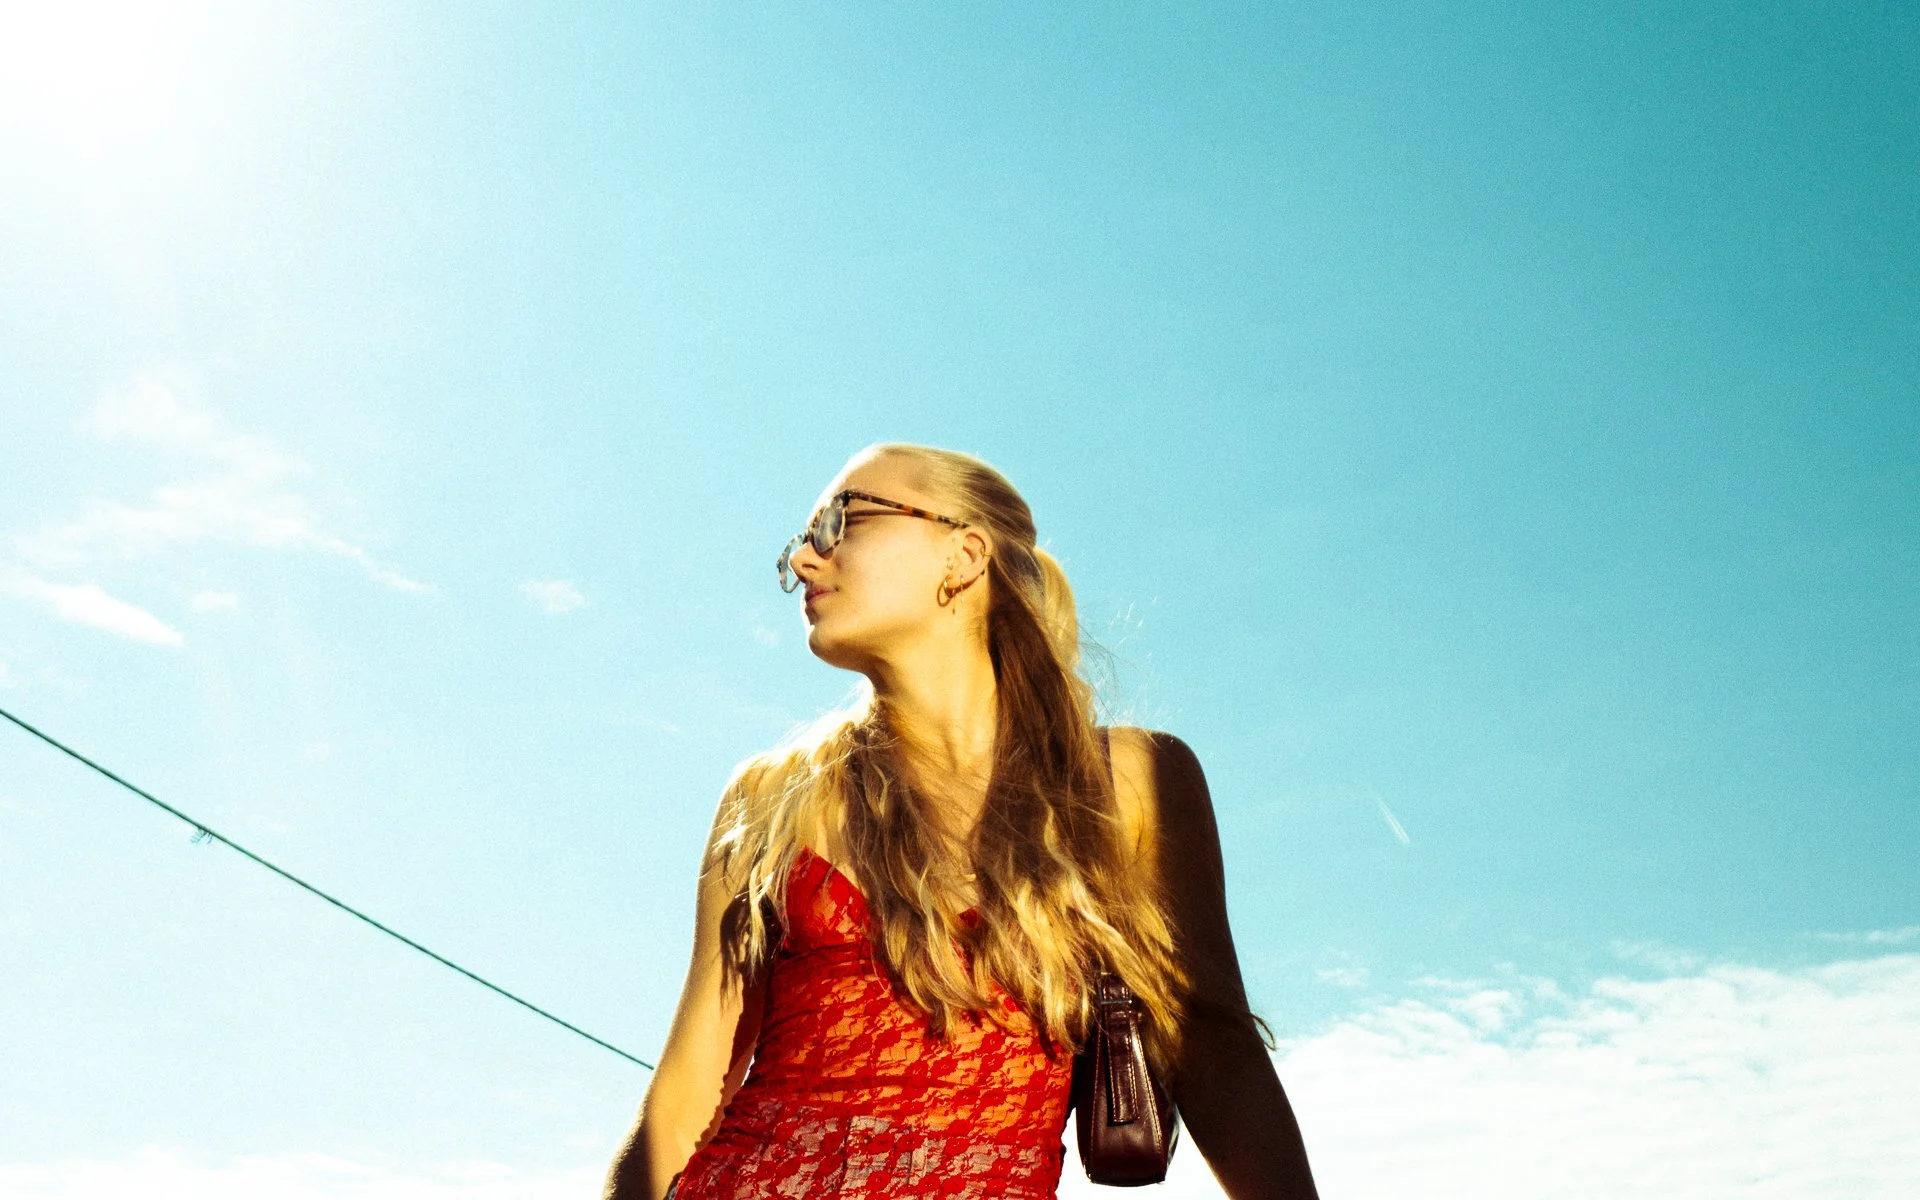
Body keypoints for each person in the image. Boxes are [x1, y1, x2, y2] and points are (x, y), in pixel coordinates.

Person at [604, 443, 1317, 1200]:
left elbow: (1216, 1053)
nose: (806, 564)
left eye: (840, 521)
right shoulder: (769, 800)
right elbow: (682, 1104)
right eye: (800, 546)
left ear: (965, 552)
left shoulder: (1131, 782)